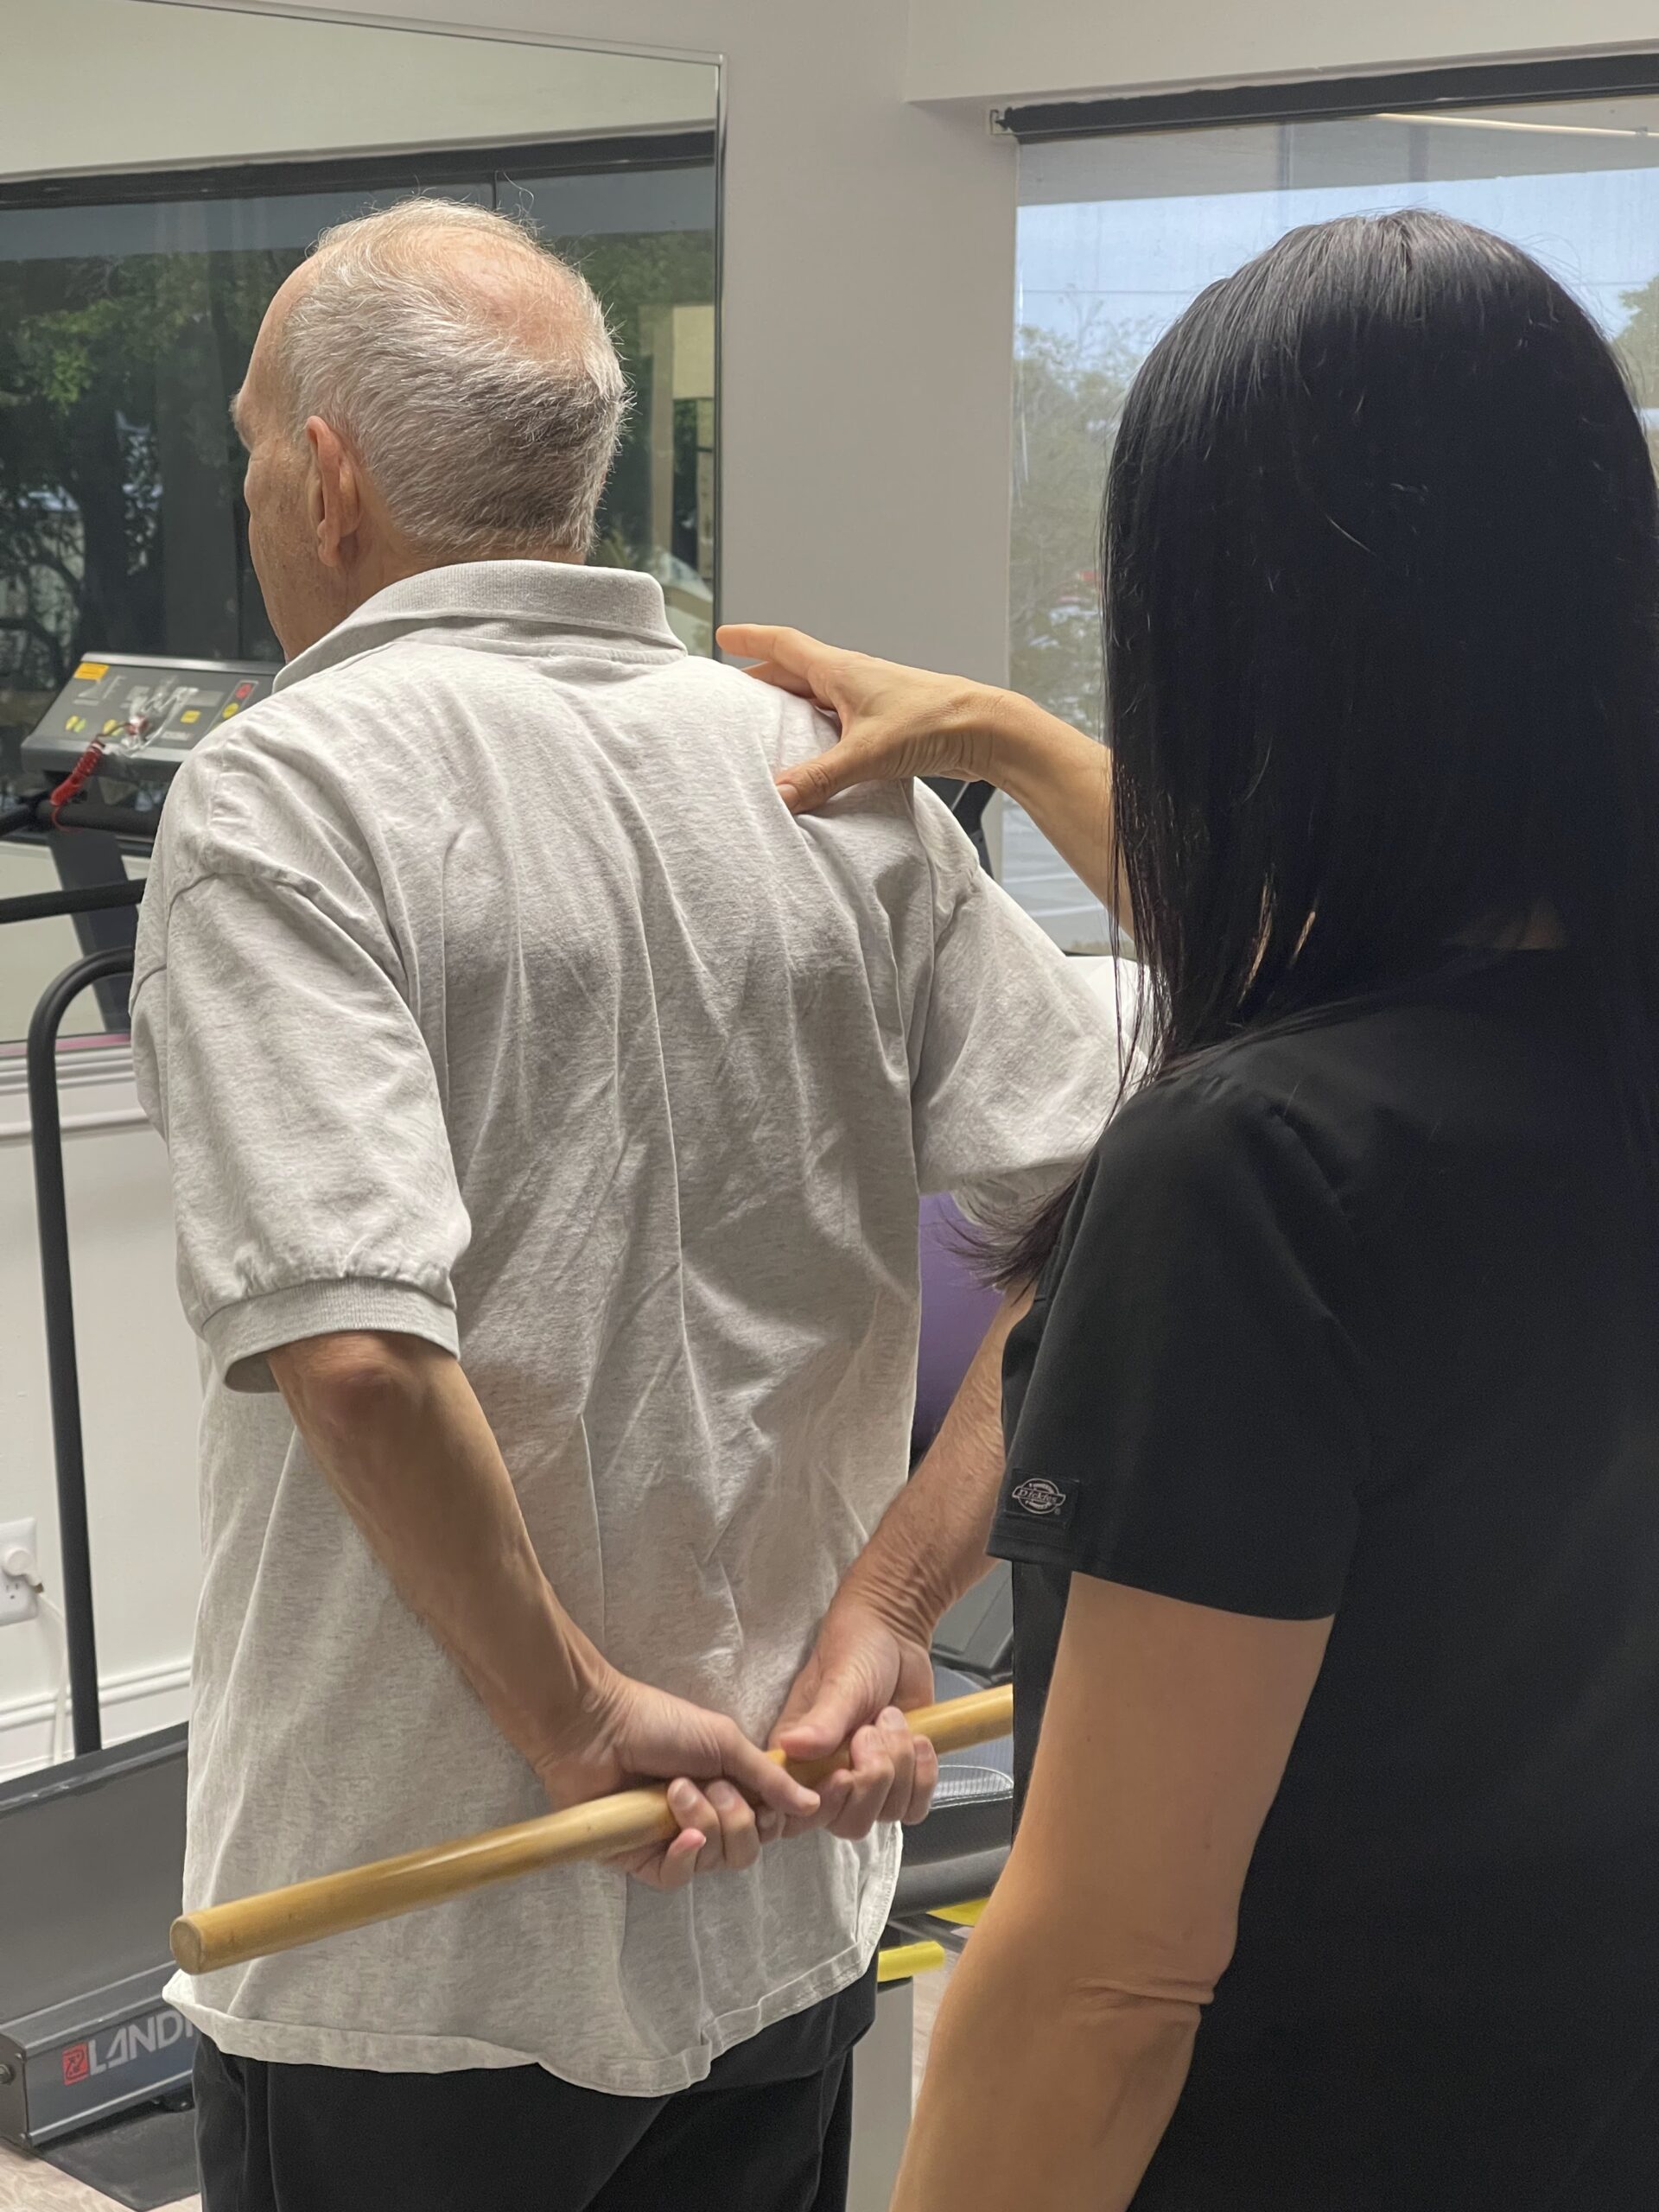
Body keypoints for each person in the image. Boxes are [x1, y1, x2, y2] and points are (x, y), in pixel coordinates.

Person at [129, 198, 1119, 2212]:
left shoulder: (285, 785)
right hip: (779, 1886)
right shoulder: (825, 772)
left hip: (413, 1943)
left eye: (247, 442)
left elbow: (359, 1361)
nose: (249, 486)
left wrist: (579, 1718)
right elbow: (1119, 1225)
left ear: (327, 480)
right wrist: (896, 1606)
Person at [721, 208, 1659, 2209]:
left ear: (1234, 654)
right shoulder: (1568, 1051)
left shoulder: (1251, 1180)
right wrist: (987, 734)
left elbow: (1106, 1982)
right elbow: (1358, 960)